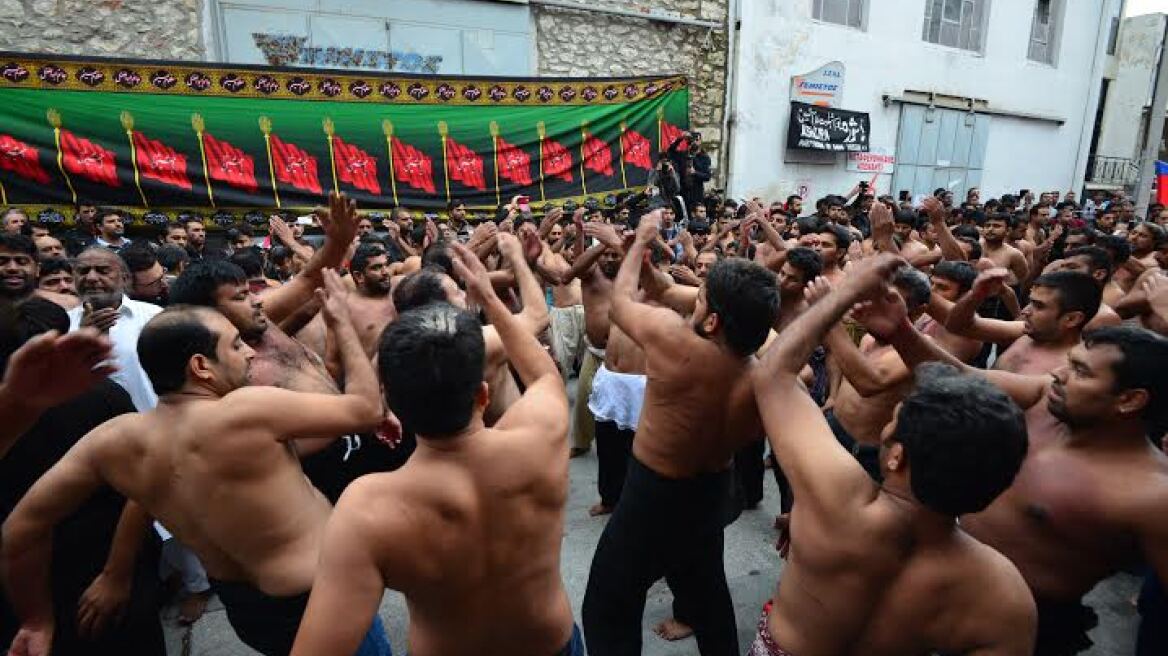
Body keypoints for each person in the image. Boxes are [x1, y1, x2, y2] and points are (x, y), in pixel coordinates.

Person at [2, 278, 391, 656]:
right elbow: (366, 409)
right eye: (237, 345)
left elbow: (19, 530)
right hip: (322, 600)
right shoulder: (247, 409)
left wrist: (35, 619)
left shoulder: (113, 441)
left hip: (248, 611)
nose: (251, 353)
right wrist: (340, 322)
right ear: (202, 366)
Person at [291, 243, 579, 656]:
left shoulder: (367, 509)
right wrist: (490, 297)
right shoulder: (540, 437)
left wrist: (340, 326)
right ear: (482, 396)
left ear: (395, 406)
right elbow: (544, 376)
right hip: (550, 643)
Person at [749, 254, 1036, 656]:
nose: (885, 427)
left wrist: (840, 295)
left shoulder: (831, 502)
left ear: (897, 456)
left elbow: (774, 375)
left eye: (893, 420)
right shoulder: (1004, 594)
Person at [861, 293, 1168, 656]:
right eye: (1071, 363)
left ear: (1130, 400)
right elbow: (964, 377)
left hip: (1026, 627)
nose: (1058, 373)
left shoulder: (1152, 496)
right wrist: (901, 332)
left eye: (1082, 373)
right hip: (930, 576)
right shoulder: (1044, 395)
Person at [583, 210, 780, 655]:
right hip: (711, 492)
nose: (695, 298)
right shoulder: (763, 372)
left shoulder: (675, 341)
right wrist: (644, 257)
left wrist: (636, 243)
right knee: (708, 594)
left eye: (703, 296)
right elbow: (667, 290)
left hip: (654, 494)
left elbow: (621, 306)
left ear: (712, 320)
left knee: (610, 604)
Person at [0, 300, 166, 656]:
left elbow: (146, 482)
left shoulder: (100, 397)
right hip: (27, 579)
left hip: (103, 553)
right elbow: (26, 527)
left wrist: (116, 573)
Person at [944, 269, 1101, 376]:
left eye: (1038, 306)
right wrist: (975, 296)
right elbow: (957, 326)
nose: (1025, 311)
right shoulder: (1024, 332)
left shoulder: (1068, 370)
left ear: (1072, 319)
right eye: (1030, 302)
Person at [67, 247, 162, 411]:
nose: (91, 278)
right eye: (83, 271)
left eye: (103, 271)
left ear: (125, 278)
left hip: (148, 424)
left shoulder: (155, 317)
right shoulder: (64, 323)